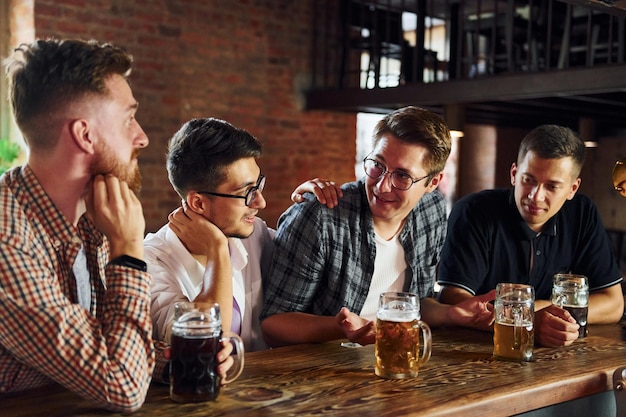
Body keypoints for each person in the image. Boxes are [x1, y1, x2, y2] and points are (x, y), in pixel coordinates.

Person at [0, 39, 234, 412]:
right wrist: (128, 252)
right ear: (84, 134)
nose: (141, 137)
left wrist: (176, 361)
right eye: (128, 118)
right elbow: (122, 386)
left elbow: (106, 346)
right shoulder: (7, 238)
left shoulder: (95, 214)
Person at [260, 106, 496, 347]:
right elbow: (273, 324)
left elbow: (416, 304)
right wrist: (340, 327)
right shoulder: (320, 218)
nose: (382, 186)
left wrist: (449, 314)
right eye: (378, 165)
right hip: (321, 368)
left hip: (396, 357)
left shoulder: (430, 209)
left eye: (402, 176)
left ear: (432, 183)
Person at [147, 118, 341, 352]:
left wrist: (307, 210)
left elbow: (313, 265)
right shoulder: (149, 263)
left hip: (268, 386)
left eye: (259, 186)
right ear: (198, 202)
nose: (261, 201)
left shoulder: (255, 234)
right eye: (248, 192)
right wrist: (217, 251)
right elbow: (202, 346)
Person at [437, 125, 624, 348]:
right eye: (529, 180)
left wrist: (542, 309)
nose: (536, 196)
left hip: (552, 357)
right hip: (473, 353)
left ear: (573, 188)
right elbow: (454, 300)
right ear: (514, 174)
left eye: (552, 186)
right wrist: (527, 322)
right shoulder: (474, 211)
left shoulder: (582, 213)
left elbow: (613, 304)